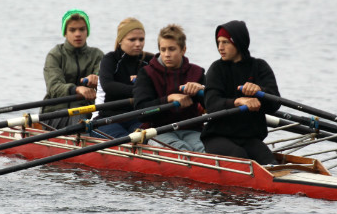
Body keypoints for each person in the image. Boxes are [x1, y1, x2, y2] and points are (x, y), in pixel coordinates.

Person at [201, 20, 281, 165]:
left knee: (270, 163)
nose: (220, 47)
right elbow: (212, 105)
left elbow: (275, 103)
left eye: (225, 42)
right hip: (217, 136)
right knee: (240, 157)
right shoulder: (216, 69)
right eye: (218, 42)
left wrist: (260, 91)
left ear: (238, 42)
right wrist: (237, 102)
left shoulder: (260, 67)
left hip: (249, 138)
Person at [133, 24, 206, 152]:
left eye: (172, 49)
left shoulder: (197, 72)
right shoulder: (147, 73)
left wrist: (203, 90)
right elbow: (141, 112)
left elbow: (212, 105)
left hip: (192, 130)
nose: (167, 54)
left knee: (202, 149)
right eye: (163, 49)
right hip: (159, 131)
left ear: (183, 50)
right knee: (181, 149)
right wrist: (168, 99)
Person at [42, 9, 104, 129]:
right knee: (79, 117)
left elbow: (105, 81)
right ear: (65, 33)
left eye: (82, 29)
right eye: (72, 30)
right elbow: (54, 87)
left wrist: (97, 79)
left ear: (87, 32)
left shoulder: (97, 55)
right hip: (55, 113)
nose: (78, 34)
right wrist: (76, 89)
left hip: (88, 111)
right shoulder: (55, 55)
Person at [93, 18, 154, 138]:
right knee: (126, 140)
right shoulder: (110, 59)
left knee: (143, 139)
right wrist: (139, 90)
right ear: (121, 40)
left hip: (137, 117)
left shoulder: (150, 60)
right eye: (132, 39)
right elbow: (108, 86)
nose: (138, 44)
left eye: (141, 39)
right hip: (109, 118)